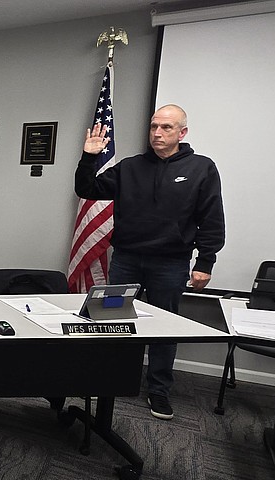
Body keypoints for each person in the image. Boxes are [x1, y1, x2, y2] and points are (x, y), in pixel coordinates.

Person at [75, 104, 225, 420]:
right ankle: (106, 380)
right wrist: (90, 157)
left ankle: (158, 390)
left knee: (164, 328)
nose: (157, 133)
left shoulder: (201, 168)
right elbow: (87, 189)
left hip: (170, 264)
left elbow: (211, 218)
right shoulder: (130, 167)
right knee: (110, 322)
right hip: (126, 259)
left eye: (167, 127)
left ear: (182, 132)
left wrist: (206, 262)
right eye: (154, 126)